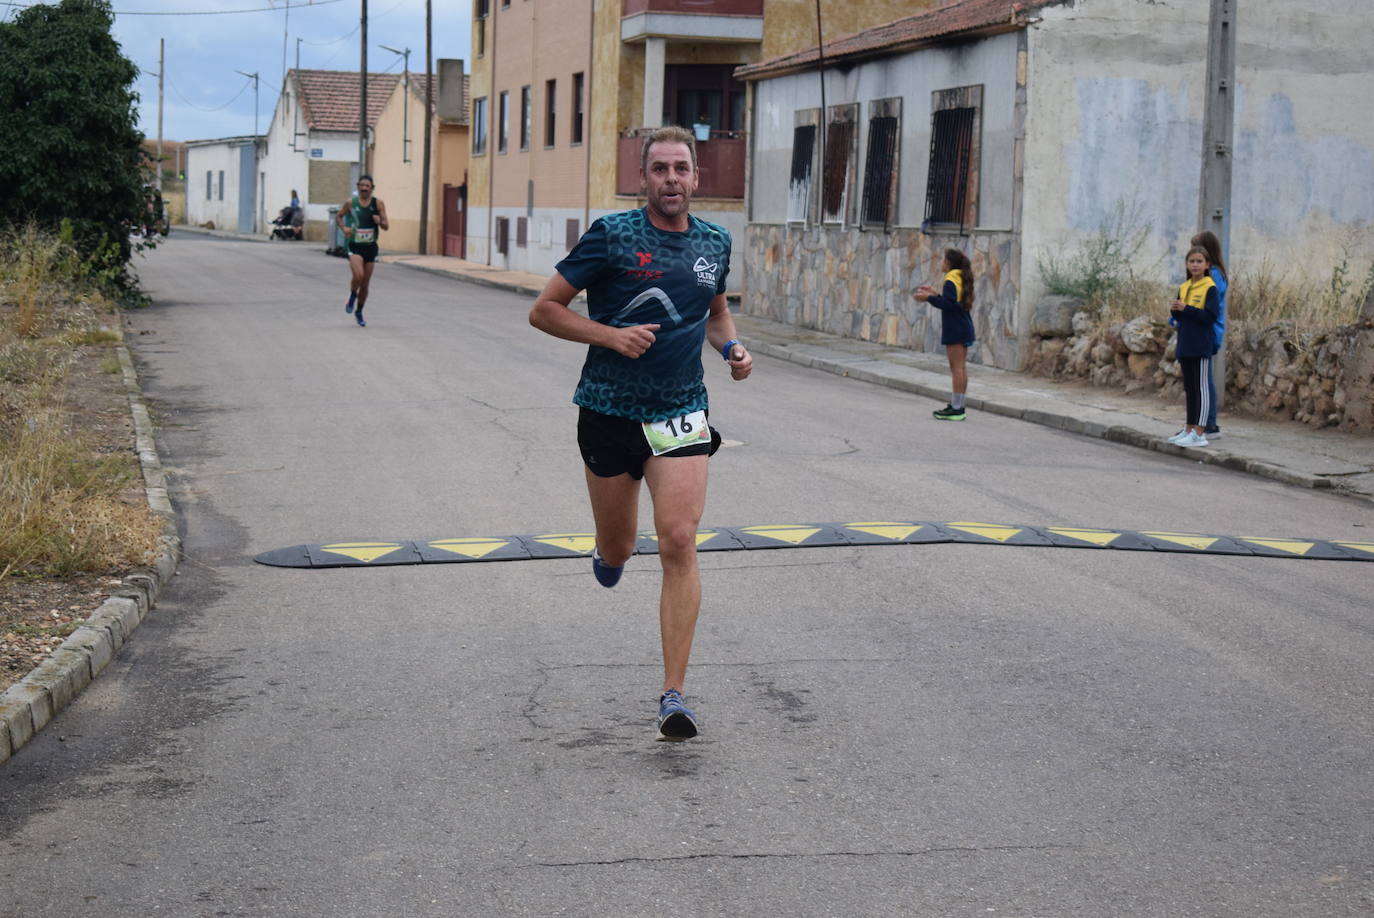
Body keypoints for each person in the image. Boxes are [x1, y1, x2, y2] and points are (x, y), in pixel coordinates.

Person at [528, 125, 753, 743]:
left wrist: (732, 346)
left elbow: (716, 310)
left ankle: (673, 694)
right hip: (607, 410)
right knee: (622, 546)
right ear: (644, 178)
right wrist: (611, 336)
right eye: (660, 169)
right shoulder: (613, 236)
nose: (672, 179)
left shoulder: (714, 241)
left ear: (696, 178)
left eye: (682, 168)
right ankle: (608, 555)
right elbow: (544, 309)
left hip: (680, 411)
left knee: (679, 540)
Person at [913, 248, 976, 420]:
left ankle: (956, 409)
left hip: (955, 328)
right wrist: (935, 294)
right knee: (961, 368)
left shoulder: (950, 279)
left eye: (943, 260)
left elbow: (948, 305)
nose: (942, 263)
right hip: (964, 325)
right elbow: (952, 302)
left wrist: (927, 298)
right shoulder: (960, 277)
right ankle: (959, 405)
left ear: (949, 263)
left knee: (956, 369)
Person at [1167, 246, 1220, 448]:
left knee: (1202, 388)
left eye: (1199, 261)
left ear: (1207, 265)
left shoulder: (1210, 288)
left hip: (1201, 345)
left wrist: (1186, 309)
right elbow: (1181, 316)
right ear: (1187, 265)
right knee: (1190, 388)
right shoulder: (1184, 286)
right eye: (1192, 261)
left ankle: (1200, 432)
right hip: (1185, 344)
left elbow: (1209, 317)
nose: (1195, 265)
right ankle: (1189, 428)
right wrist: (1176, 312)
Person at [335, 175, 389, 327]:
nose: (364, 188)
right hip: (354, 244)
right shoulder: (350, 203)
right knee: (359, 275)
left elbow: (386, 226)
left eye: (368, 186)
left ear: (372, 188)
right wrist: (344, 227)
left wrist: (380, 221)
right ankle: (352, 294)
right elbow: (339, 216)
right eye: (362, 185)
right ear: (358, 186)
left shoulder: (378, 204)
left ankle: (359, 311)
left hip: (370, 246)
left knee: (365, 284)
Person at [1191, 230, 1228, 437]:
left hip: (1207, 332)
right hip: (1202, 330)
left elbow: (1203, 304)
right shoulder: (1214, 274)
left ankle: (1208, 424)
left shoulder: (1213, 276)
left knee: (1203, 380)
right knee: (1200, 379)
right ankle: (1200, 423)